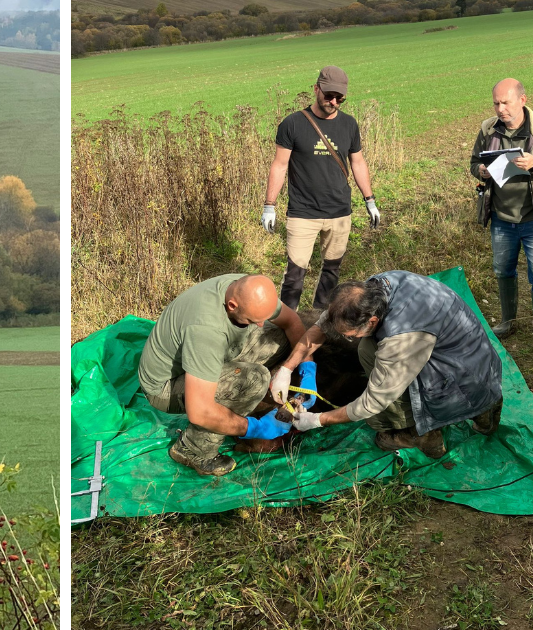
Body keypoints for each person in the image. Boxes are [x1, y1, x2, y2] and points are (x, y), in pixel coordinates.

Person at [277, 272, 505, 459]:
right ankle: (487, 408)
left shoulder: (401, 337)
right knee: (367, 347)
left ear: (372, 321)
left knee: (375, 381)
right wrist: (287, 369)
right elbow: (321, 328)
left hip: (461, 376)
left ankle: (419, 433)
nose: (346, 337)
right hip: (473, 356)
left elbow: (372, 403)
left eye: (347, 335)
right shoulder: (372, 290)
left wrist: (318, 420)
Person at [136, 273, 309, 476]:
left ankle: (240, 404)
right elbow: (199, 411)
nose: (260, 325)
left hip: (204, 356)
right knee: (254, 380)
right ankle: (192, 449)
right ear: (233, 306)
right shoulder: (206, 331)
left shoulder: (247, 289)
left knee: (278, 335)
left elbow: (291, 322)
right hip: (166, 386)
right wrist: (253, 428)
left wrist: (308, 369)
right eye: (253, 320)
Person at [263, 65, 382, 311]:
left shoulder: (349, 124)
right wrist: (269, 206)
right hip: (303, 213)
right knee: (294, 276)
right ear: (316, 89)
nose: (334, 102)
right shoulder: (293, 124)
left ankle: (319, 321)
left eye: (340, 98)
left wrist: (369, 200)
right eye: (329, 96)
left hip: (339, 211)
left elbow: (358, 162)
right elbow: (279, 165)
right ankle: (286, 326)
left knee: (331, 272)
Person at [471, 78, 533, 357]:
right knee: (503, 270)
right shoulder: (488, 128)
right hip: (502, 219)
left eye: (506, 102)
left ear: (523, 100)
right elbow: (473, 162)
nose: (500, 108)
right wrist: (481, 170)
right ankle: (508, 322)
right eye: (496, 103)